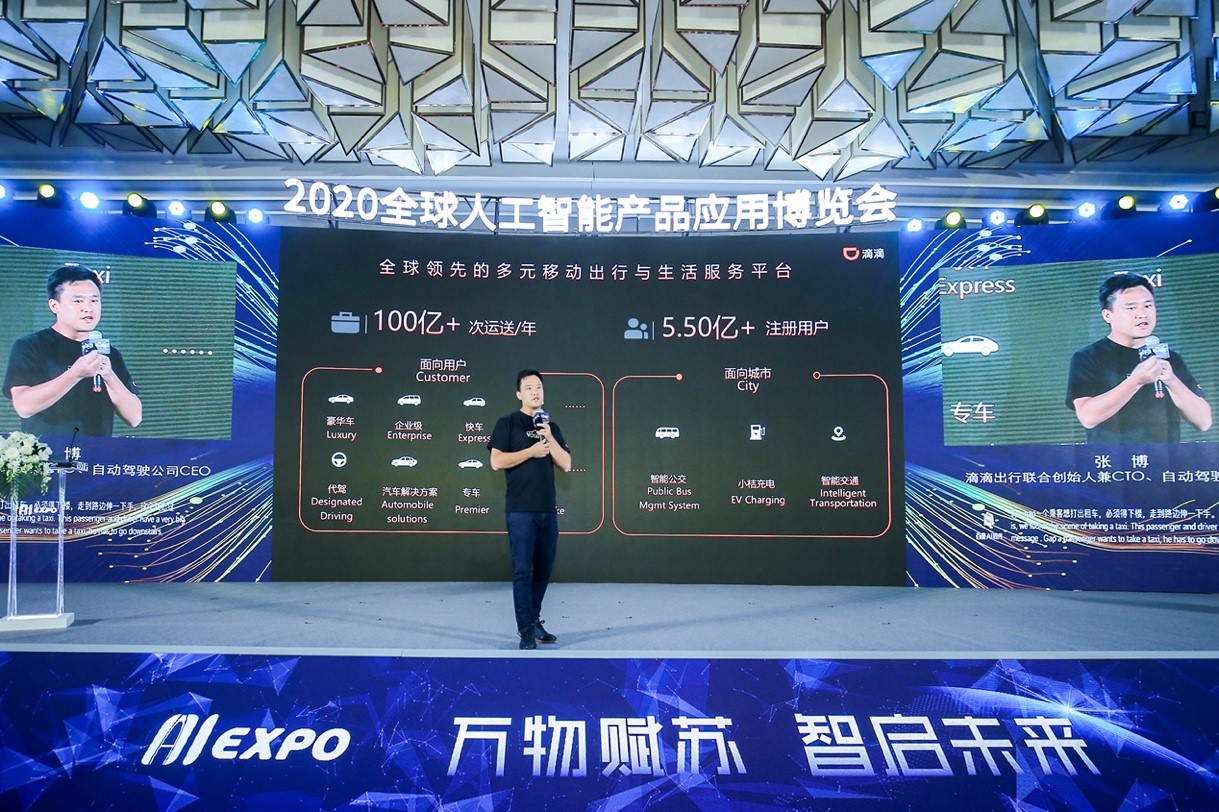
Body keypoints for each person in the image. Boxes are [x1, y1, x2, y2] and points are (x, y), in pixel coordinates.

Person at [1066, 272, 1210, 443]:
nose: (1142, 314)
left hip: (1166, 459)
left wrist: (1171, 380)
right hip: (1113, 459)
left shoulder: (1170, 358)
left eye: (1148, 306)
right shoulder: (1088, 357)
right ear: (1107, 315)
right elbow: (1088, 417)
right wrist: (1135, 381)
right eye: (1131, 308)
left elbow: (1204, 422)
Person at [3, 264, 142, 437]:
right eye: (78, 301)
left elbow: (134, 418)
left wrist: (109, 375)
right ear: (54, 306)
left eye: (94, 300)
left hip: (97, 452)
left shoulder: (109, 353)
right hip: (47, 452)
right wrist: (75, 374)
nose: (88, 308)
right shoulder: (30, 346)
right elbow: (24, 407)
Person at [487, 369, 572, 649]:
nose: (535, 391)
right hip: (521, 511)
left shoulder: (551, 426)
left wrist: (549, 437)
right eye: (529, 388)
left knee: (543, 570)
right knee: (523, 571)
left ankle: (534, 621)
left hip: (547, 511)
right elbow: (496, 462)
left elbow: (566, 464)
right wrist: (531, 452)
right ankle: (524, 630)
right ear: (519, 394)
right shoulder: (508, 423)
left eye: (539, 387)